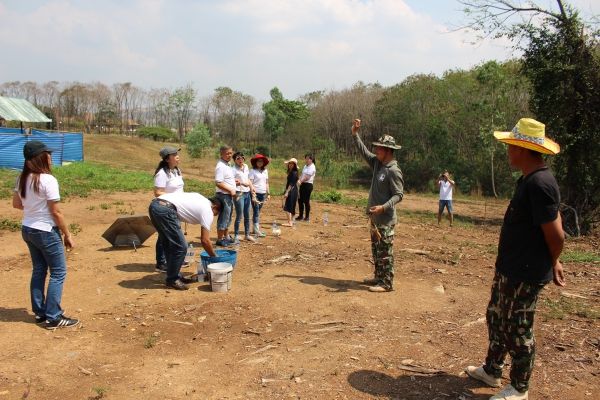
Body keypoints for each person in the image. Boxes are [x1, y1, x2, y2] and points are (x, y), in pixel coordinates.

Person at [465, 118, 565, 400]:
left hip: (526, 272)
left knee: (518, 329)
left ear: (522, 148)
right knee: (496, 318)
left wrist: (553, 260)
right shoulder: (529, 180)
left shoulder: (541, 184)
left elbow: (557, 234)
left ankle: (520, 387)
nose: (507, 150)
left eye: (510, 145)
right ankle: (492, 370)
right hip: (510, 269)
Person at [12, 141, 79, 329]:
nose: (50, 157)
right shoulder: (48, 180)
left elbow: (17, 204)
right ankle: (54, 317)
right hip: (46, 230)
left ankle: (41, 313)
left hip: (28, 229)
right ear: (40, 158)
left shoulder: (22, 178)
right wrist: (67, 234)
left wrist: (33, 206)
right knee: (58, 272)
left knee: (39, 270)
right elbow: (56, 212)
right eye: (47, 154)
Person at [351, 119, 404, 293]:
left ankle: (387, 283)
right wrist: (355, 134)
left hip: (386, 219)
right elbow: (364, 152)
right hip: (375, 219)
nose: (376, 150)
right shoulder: (377, 164)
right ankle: (379, 277)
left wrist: (383, 207)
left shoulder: (393, 170)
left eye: (379, 148)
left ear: (388, 151)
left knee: (385, 252)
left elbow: (398, 195)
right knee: (377, 250)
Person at [148, 192, 221, 290]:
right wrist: (213, 256)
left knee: (168, 243)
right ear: (215, 207)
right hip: (166, 209)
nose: (214, 216)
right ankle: (172, 279)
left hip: (155, 205)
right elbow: (205, 240)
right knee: (181, 247)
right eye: (216, 213)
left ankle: (175, 276)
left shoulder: (200, 198)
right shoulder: (208, 210)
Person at [153, 146, 184, 273]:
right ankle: (161, 262)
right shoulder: (162, 174)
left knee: (171, 233)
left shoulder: (177, 171)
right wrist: (173, 198)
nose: (177, 156)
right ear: (167, 159)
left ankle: (170, 259)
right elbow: (157, 192)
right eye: (174, 154)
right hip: (165, 208)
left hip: (177, 207)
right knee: (164, 235)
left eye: (177, 153)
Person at [214, 145, 236, 247]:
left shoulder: (228, 165)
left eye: (231, 153)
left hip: (228, 195)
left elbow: (226, 179)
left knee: (228, 217)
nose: (229, 155)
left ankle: (226, 237)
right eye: (227, 153)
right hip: (223, 195)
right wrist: (231, 189)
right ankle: (219, 239)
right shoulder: (220, 166)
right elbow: (218, 182)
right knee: (224, 217)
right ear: (221, 154)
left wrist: (235, 182)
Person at [232, 152, 255, 243]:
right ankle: (236, 235)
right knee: (239, 215)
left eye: (242, 158)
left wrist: (252, 187)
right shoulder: (233, 169)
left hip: (247, 193)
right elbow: (231, 180)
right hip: (239, 192)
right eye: (238, 158)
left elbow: (248, 179)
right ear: (235, 160)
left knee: (247, 215)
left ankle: (247, 235)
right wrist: (241, 183)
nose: (240, 159)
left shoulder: (246, 167)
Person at [249, 154, 270, 237]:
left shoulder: (265, 171)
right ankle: (257, 231)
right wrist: (253, 195)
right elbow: (250, 183)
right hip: (255, 193)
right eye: (258, 161)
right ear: (255, 162)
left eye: (261, 161)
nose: (260, 163)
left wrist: (268, 193)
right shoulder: (252, 171)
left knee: (257, 212)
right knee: (256, 211)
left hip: (263, 193)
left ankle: (254, 229)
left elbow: (267, 182)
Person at [296, 154, 316, 222]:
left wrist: (300, 181)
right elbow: (303, 175)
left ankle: (307, 217)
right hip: (302, 184)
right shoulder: (305, 166)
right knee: (300, 200)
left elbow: (307, 177)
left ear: (311, 159)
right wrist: (299, 179)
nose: (306, 160)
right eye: (306, 158)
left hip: (308, 185)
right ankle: (301, 216)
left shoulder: (312, 167)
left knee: (306, 201)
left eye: (308, 159)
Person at [282, 158, 299, 227]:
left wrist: (287, 192)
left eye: (292, 164)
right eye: (290, 163)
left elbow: (291, 184)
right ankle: (291, 221)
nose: (290, 165)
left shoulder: (294, 173)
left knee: (287, 206)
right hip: (293, 190)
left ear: (294, 165)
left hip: (292, 190)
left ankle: (289, 222)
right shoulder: (292, 172)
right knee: (291, 206)